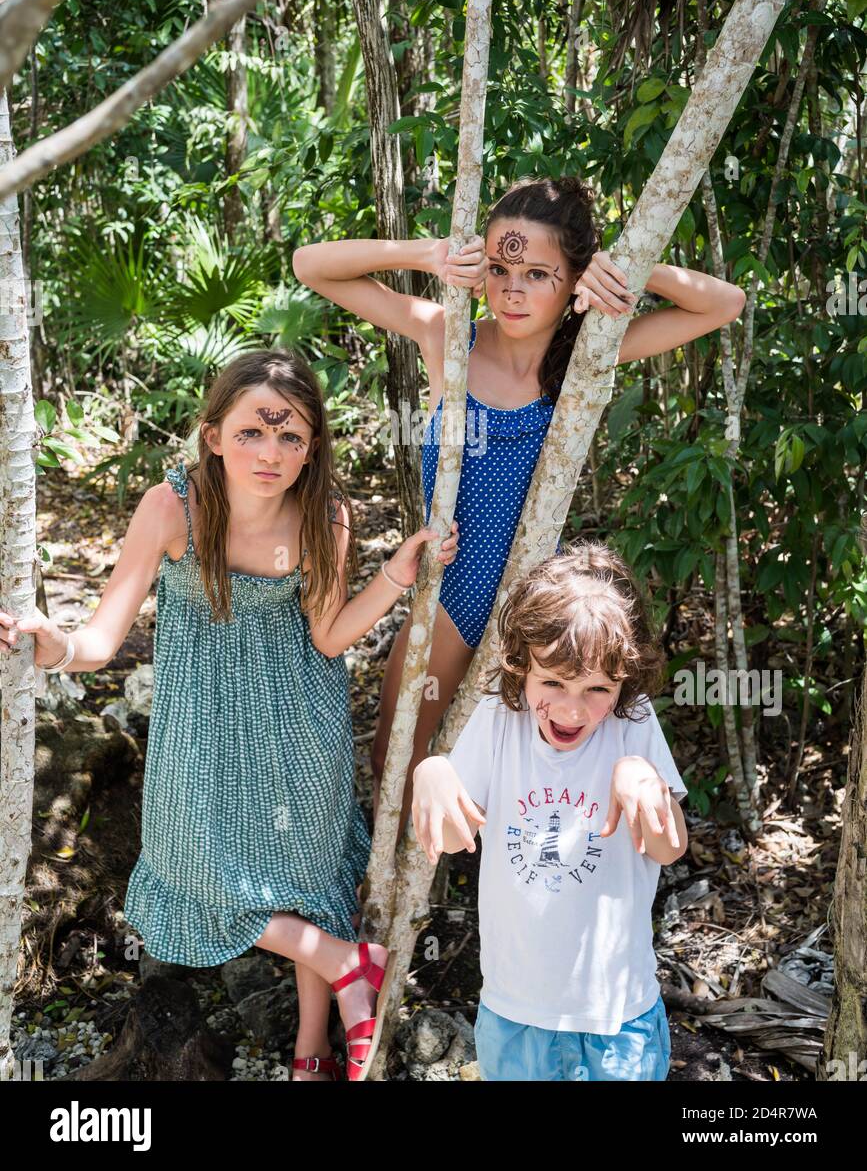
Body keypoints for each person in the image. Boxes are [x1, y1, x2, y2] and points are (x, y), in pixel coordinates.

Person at [0, 348, 458, 1082]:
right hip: (201, 730)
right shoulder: (171, 507)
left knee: (310, 879)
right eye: (251, 432)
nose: (271, 453)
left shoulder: (324, 514)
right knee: (189, 872)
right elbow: (101, 638)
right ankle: (348, 965)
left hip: (301, 721)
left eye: (291, 437)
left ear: (312, 448)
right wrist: (55, 646)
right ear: (212, 435)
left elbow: (328, 635)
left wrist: (396, 577)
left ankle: (312, 1047)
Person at [293, 175, 744, 830]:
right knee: (396, 749)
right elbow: (312, 267)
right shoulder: (448, 335)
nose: (511, 290)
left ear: (571, 278)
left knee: (520, 761)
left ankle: (496, 895)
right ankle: (391, 891)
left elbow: (723, 304)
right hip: (448, 588)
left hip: (533, 600)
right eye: (499, 268)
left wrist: (623, 269)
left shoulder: (590, 352)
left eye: (537, 273)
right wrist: (427, 255)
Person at [412, 542, 688, 1082]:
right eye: (553, 683)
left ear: (624, 683)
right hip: (516, 1009)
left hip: (617, 1013)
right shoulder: (498, 720)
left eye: (596, 690)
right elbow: (450, 837)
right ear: (521, 667)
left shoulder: (631, 726)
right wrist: (431, 773)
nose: (570, 708)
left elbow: (670, 848)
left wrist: (648, 785)